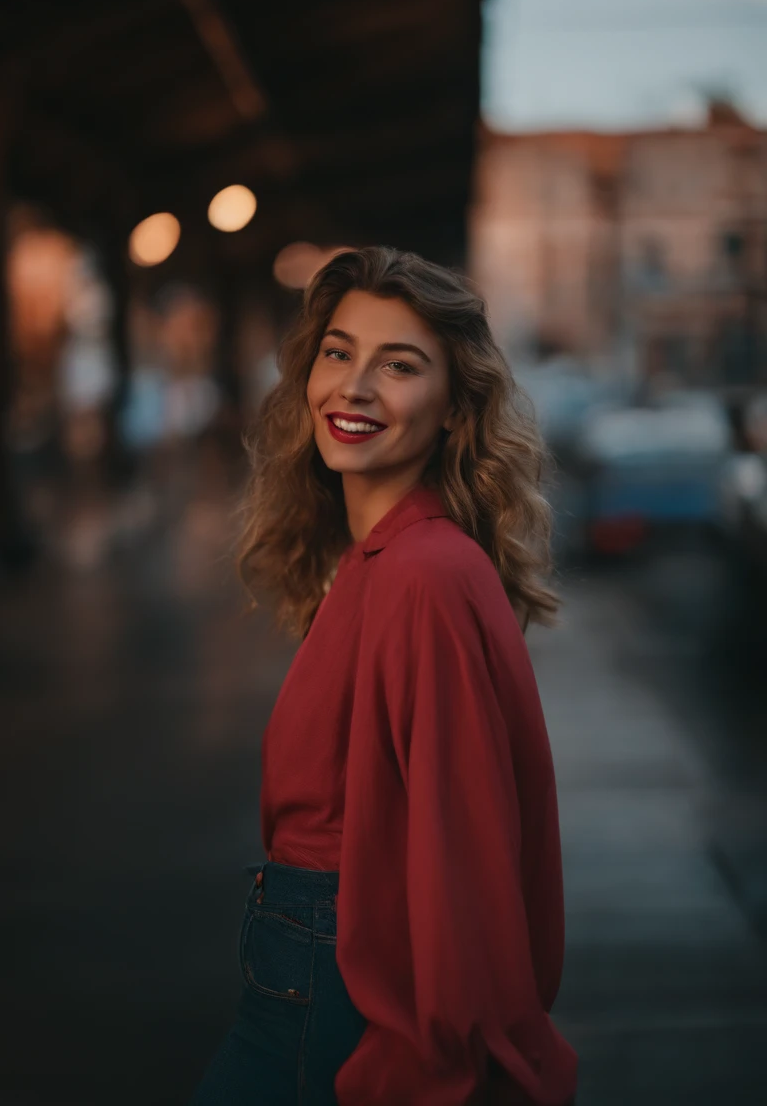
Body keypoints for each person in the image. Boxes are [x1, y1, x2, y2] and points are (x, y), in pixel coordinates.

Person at [189, 247, 578, 1106]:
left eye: (399, 366)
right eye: (339, 352)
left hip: (334, 997)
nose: (354, 387)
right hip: (302, 977)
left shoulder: (422, 576)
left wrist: (431, 1069)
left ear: (453, 409)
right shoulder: (380, 556)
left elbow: (465, 860)